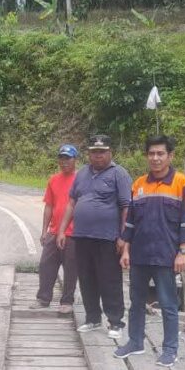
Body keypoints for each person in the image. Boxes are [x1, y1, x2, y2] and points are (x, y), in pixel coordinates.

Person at [113, 135, 185, 367]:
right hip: (139, 254)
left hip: (166, 256)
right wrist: (126, 250)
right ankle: (135, 342)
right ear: (147, 156)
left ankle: (170, 349)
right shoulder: (139, 184)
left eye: (160, 153)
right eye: (152, 153)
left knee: (169, 304)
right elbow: (130, 222)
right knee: (136, 301)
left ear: (170, 156)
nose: (156, 158)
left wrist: (182, 252)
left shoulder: (182, 183)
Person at [56, 134, 132, 339]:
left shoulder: (119, 174)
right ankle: (92, 318)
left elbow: (126, 207)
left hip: (107, 237)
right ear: (89, 153)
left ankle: (115, 321)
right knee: (87, 278)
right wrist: (62, 230)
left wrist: (124, 237)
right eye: (94, 152)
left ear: (110, 152)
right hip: (81, 236)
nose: (97, 156)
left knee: (109, 279)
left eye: (102, 151)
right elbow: (72, 203)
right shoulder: (81, 174)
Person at [32, 144, 80, 315]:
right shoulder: (53, 179)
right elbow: (49, 207)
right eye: (62, 158)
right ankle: (43, 298)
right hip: (54, 231)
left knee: (71, 269)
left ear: (75, 160)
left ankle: (67, 301)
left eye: (68, 158)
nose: (64, 161)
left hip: (73, 233)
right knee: (46, 265)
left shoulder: (81, 179)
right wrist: (44, 231)